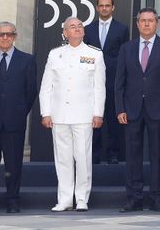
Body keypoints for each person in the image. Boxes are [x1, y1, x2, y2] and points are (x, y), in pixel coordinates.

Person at [115, 8, 160, 213]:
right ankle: (134, 198)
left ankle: (157, 197)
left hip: (159, 110)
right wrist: (120, 108)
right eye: (142, 21)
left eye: (150, 21)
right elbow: (119, 82)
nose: (146, 24)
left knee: (157, 155)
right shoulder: (127, 48)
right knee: (133, 155)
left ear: (156, 23)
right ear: (137, 24)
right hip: (132, 110)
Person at [39, 17, 106, 212]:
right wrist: (46, 112)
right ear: (64, 33)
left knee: (83, 157)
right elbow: (46, 87)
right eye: (72, 27)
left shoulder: (94, 54)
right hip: (59, 115)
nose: (77, 29)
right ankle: (65, 199)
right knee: (63, 158)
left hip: (84, 115)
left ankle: (82, 198)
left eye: (80, 26)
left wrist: (98, 113)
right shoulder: (55, 54)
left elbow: (99, 88)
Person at [0, 21, 37, 215]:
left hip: (14, 120)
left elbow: (31, 92)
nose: (5, 38)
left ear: (15, 36)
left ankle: (12, 200)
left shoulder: (27, 60)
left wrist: (19, 111)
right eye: (1, 34)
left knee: (13, 164)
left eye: (9, 34)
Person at [84, 0, 129, 164]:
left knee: (112, 118)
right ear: (97, 8)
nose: (104, 8)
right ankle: (94, 155)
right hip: (92, 81)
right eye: (101, 6)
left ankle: (113, 154)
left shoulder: (122, 28)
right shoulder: (88, 28)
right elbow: (85, 53)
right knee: (92, 118)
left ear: (113, 8)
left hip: (113, 79)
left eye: (107, 5)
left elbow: (124, 54)